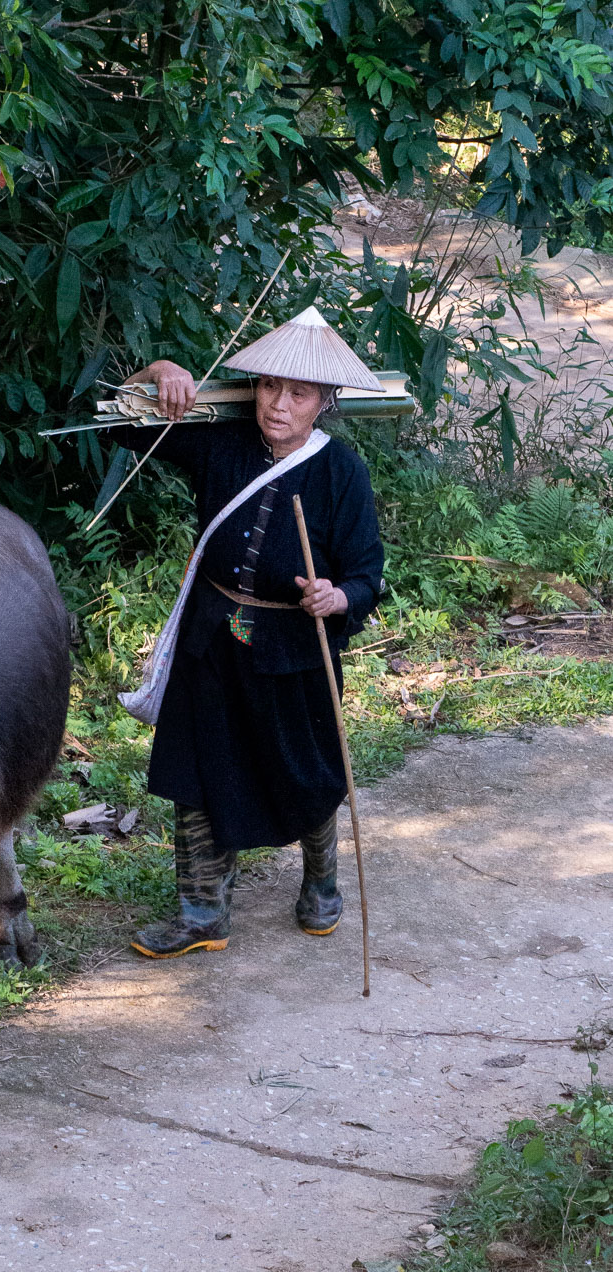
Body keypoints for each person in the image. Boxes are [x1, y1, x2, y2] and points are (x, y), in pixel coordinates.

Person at [108, 306, 385, 959]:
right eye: (268, 386)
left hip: (296, 649)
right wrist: (157, 373)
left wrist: (337, 594)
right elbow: (125, 422)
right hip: (213, 639)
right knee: (197, 770)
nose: (278, 404)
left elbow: (367, 572)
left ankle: (320, 883)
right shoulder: (220, 441)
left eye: (299, 393)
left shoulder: (342, 474)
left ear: (325, 401)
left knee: (308, 769)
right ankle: (202, 912)